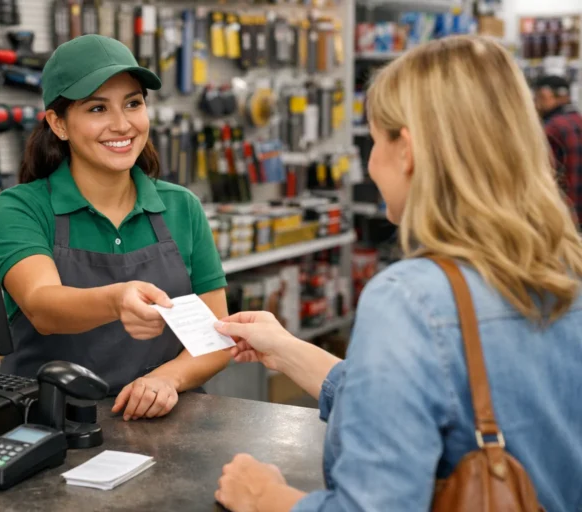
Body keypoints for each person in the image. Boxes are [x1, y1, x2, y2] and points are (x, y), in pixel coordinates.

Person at [213, 35, 582, 512]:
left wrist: (267, 497)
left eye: (373, 141)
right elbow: (440, 397)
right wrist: (286, 350)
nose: (370, 163)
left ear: (405, 149)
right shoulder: (566, 268)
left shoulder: (410, 299)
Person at [0, 35, 230, 421]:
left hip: (161, 422)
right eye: (97, 108)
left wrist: (167, 379)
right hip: (47, 422)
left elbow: (217, 336)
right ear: (58, 124)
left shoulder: (182, 207)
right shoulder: (21, 208)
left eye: (133, 104)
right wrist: (117, 300)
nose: (122, 125)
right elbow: (42, 306)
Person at [534, 75, 582, 225]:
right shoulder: (578, 120)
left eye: (539, 97)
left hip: (563, 214)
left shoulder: (551, 127)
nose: (536, 103)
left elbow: (542, 175)